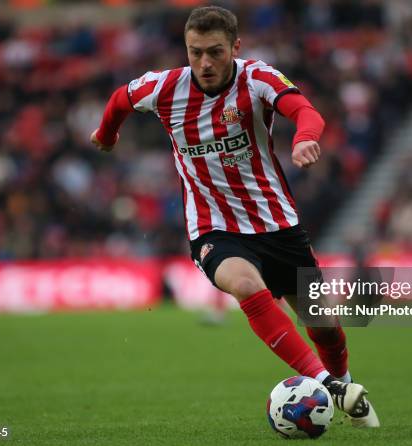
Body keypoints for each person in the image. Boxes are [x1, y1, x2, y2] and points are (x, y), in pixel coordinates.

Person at [91, 5, 379, 427]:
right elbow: (120, 99)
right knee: (245, 284)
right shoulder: (164, 88)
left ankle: (344, 382)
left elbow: (305, 111)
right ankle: (331, 388)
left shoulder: (257, 78)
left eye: (215, 52)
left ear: (235, 48)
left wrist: (305, 139)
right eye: (195, 52)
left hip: (277, 223)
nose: (204, 63)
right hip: (213, 227)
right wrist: (106, 133)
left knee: (325, 326)